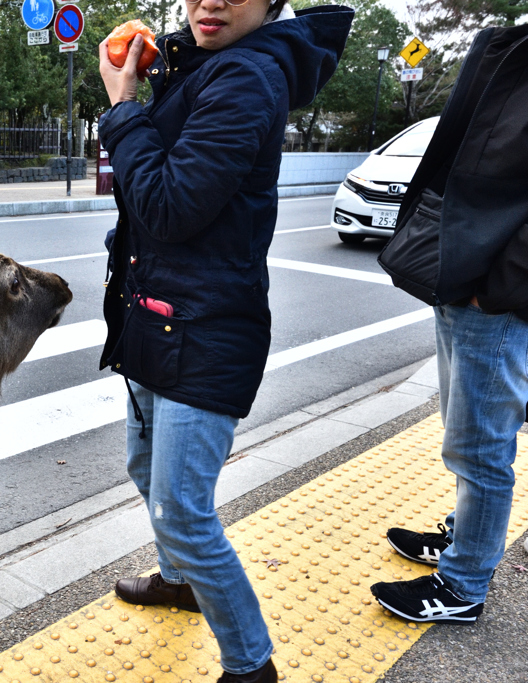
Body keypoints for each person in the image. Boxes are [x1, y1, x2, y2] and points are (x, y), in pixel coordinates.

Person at [96, 1, 352, 681]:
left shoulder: (247, 76)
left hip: (204, 329)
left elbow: (171, 205)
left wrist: (122, 105)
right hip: (157, 315)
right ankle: (182, 582)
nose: (210, 1)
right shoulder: (199, 63)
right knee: (146, 471)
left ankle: (250, 665)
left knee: (181, 507)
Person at [370, 22, 528, 626]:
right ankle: (464, 535)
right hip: (462, 270)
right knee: (466, 432)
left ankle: (464, 584)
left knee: (482, 447)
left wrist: (501, 286)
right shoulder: (508, 42)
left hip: (498, 289)